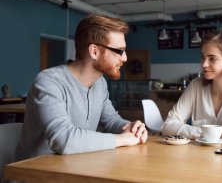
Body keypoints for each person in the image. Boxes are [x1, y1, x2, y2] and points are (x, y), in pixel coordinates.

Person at [15, 15, 148, 161]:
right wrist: (122, 139)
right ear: (94, 51)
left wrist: (130, 127)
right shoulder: (49, 82)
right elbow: (63, 140)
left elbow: (110, 121)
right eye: (119, 51)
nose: (125, 58)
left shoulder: (100, 83)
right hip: (35, 176)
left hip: (76, 169)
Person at [162, 28, 222, 143]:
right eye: (202, 57)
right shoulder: (196, 86)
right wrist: (213, 134)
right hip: (199, 158)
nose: (204, 64)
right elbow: (168, 126)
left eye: (212, 58)